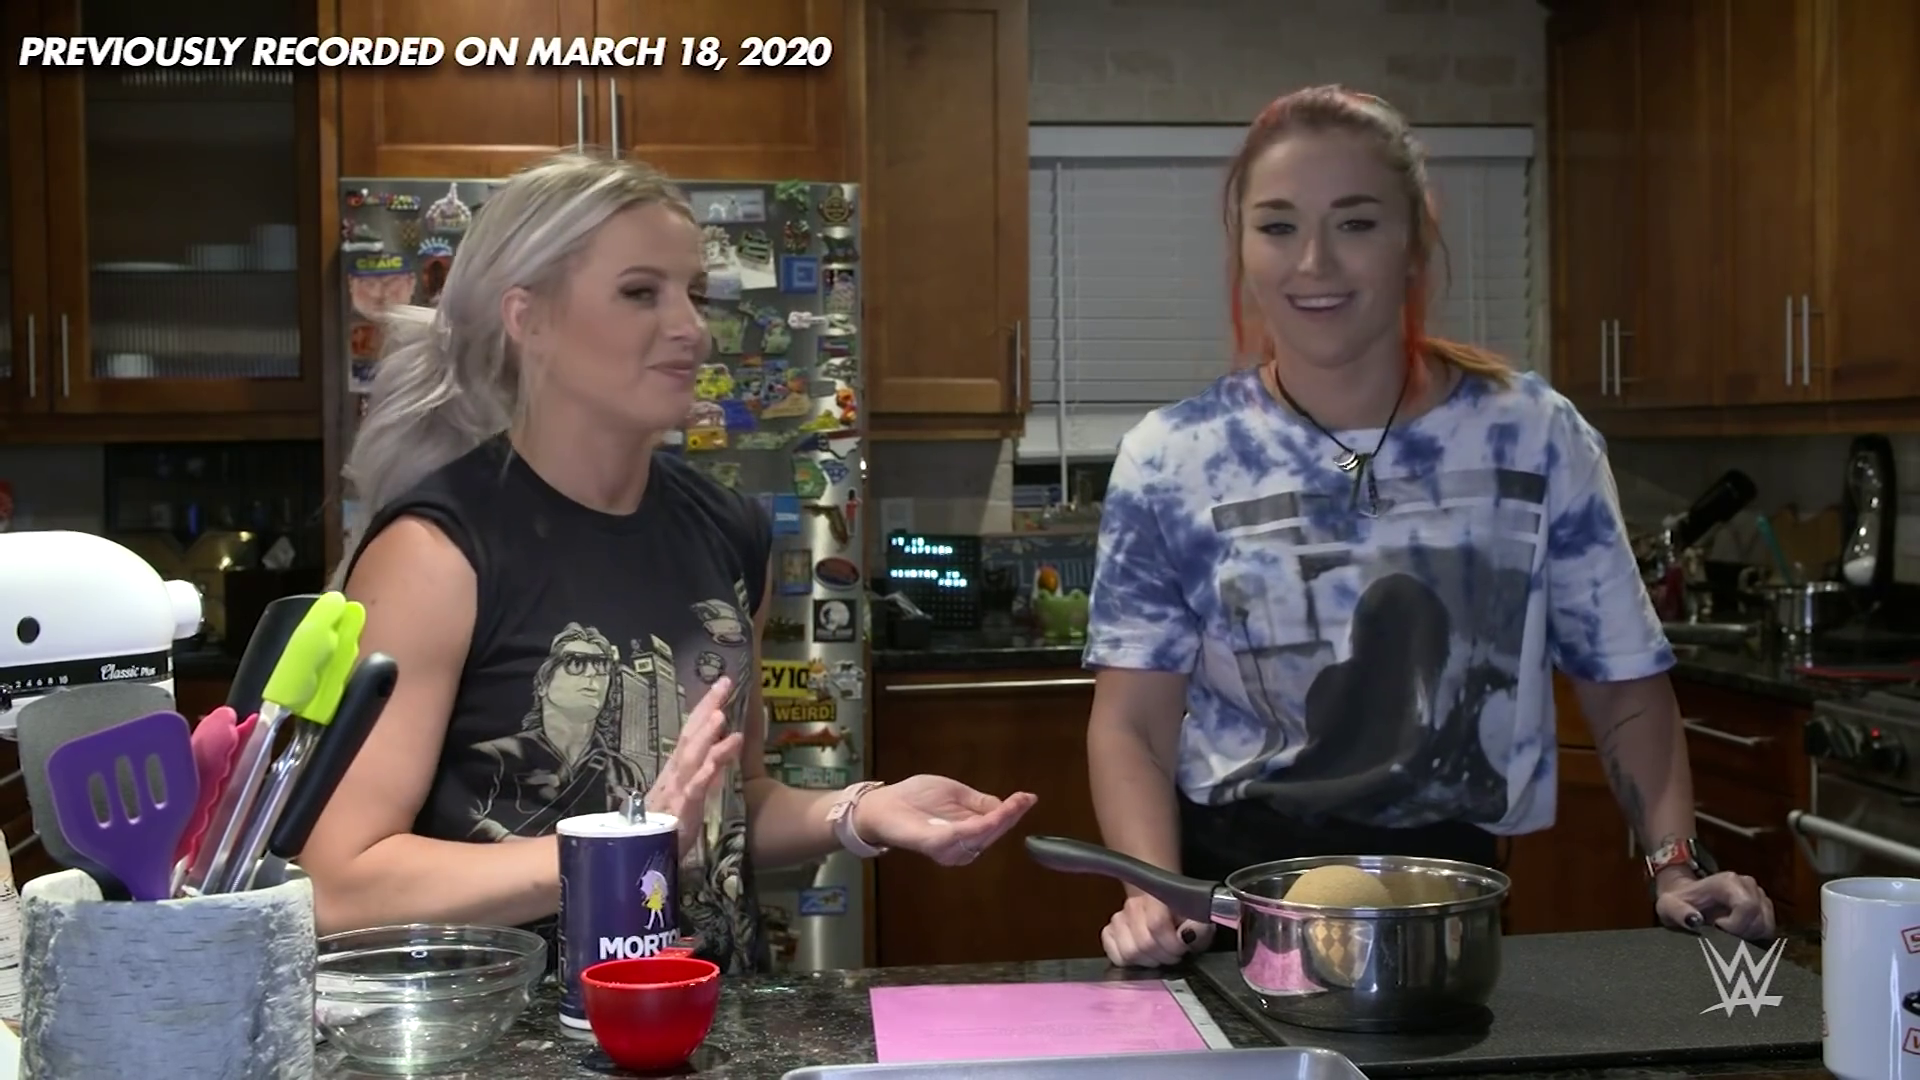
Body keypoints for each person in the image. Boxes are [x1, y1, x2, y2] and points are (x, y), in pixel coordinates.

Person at [1082, 86, 1774, 969]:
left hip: (1450, 913)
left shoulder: (1533, 436)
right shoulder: (1171, 457)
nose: (1314, 262)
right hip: (1227, 918)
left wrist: (1675, 864)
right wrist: (1152, 892)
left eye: (1356, 223)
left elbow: (1625, 684)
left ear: (1414, 240)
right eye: (1278, 226)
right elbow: (1133, 725)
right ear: (1242, 245)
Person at [301, 152, 1037, 974]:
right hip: (527, 1031)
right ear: (528, 319)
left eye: (697, 294)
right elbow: (342, 883)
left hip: (712, 1020)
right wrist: (623, 847)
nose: (690, 328)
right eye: (640, 292)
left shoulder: (727, 530)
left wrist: (860, 812)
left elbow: (727, 812)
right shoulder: (436, 552)